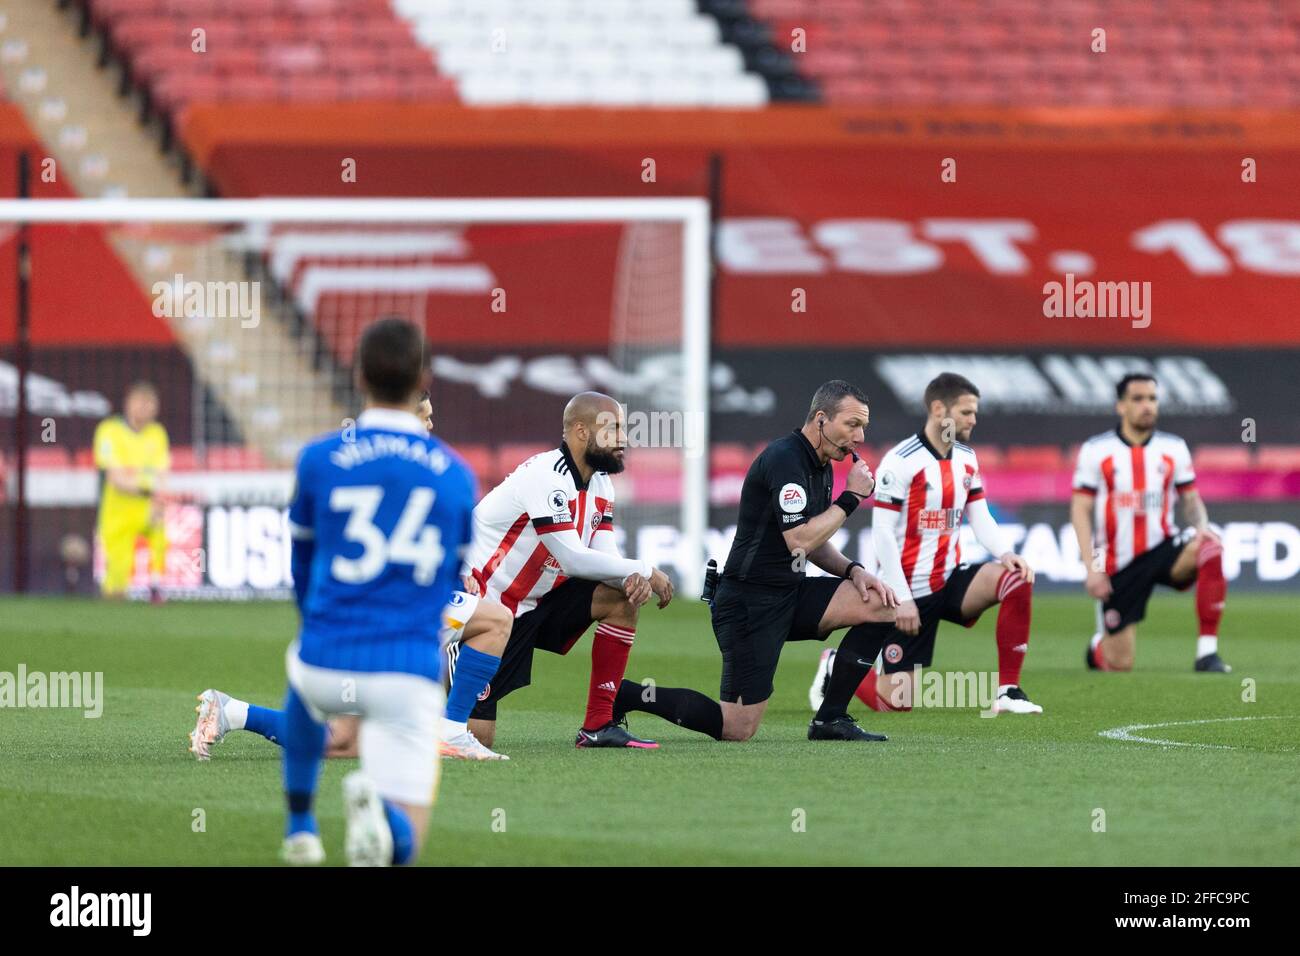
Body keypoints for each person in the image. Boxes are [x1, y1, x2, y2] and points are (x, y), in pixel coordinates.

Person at [190, 393, 512, 762]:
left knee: (345, 743)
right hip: (393, 609)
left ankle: (233, 712)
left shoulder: (342, 458)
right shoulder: (426, 468)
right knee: (497, 620)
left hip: (352, 618)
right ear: (407, 411)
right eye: (426, 414)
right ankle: (452, 731)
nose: (431, 424)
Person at [277, 318, 476, 866]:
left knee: (299, 679)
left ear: (359, 374)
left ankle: (300, 825)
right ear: (424, 377)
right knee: (407, 842)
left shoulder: (319, 459)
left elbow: (301, 561)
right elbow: (447, 579)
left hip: (325, 659)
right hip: (406, 670)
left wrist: (313, 622)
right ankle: (382, 820)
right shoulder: (455, 475)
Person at [613, 380, 900, 743]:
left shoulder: (822, 464)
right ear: (822, 419)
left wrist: (854, 571)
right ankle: (627, 694)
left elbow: (812, 543)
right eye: (852, 424)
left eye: (863, 427)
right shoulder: (785, 459)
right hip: (748, 604)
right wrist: (852, 498)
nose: (859, 436)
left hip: (789, 593)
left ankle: (831, 719)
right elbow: (798, 540)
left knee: (881, 605)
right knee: (737, 728)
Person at [809, 372, 1043, 715]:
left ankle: (1008, 690)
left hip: (951, 579)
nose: (973, 420)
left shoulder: (966, 458)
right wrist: (902, 599)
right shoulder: (902, 460)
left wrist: (1006, 553)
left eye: (974, 412)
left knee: (1017, 578)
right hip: (909, 592)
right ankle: (833, 665)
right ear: (938, 409)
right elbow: (882, 534)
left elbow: (979, 518)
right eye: (966, 412)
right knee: (895, 704)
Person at [453, 390, 674, 749]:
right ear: (582, 432)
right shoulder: (545, 476)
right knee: (477, 738)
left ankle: (598, 726)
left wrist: (631, 578)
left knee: (621, 597)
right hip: (489, 611)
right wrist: (644, 568)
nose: (624, 439)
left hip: (538, 603)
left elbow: (603, 557)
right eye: (613, 428)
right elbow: (571, 557)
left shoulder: (601, 483)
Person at [1071, 372, 1229, 673]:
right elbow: (1080, 510)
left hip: (1163, 549)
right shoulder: (1096, 450)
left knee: (1211, 545)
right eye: (1138, 399)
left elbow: (1191, 500)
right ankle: (1098, 648)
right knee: (1119, 664)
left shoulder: (1174, 448)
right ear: (1121, 406)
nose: (1148, 406)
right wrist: (1092, 567)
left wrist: (1201, 525)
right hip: (1120, 563)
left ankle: (1207, 654)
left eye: (1153, 399)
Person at [93, 381, 169, 602]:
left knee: (160, 539)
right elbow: (115, 478)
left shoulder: (157, 433)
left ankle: (156, 588)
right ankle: (114, 599)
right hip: (118, 508)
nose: (145, 408)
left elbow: (162, 474)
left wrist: (159, 499)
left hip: (147, 504)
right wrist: (146, 486)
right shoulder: (109, 431)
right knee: (117, 574)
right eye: (140, 403)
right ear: (128, 404)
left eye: (150, 404)